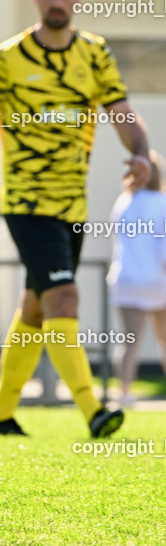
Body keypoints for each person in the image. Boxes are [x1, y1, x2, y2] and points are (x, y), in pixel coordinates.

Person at [0, 0, 148, 439]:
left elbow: (123, 113)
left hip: (73, 207)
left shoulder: (95, 54)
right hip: (27, 203)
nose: (58, 3)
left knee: (36, 307)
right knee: (63, 295)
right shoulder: (5, 59)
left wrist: (142, 154)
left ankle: (0, 415)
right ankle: (93, 411)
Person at [107, 153, 166, 407]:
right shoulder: (162, 203)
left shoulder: (123, 202)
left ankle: (124, 393)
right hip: (157, 279)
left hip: (126, 278)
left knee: (129, 339)